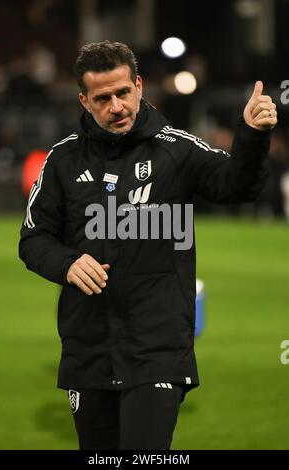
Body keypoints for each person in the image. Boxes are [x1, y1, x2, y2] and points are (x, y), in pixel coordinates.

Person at [19, 40, 277, 450]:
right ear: (84, 101)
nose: (116, 106)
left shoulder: (176, 149)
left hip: (157, 348)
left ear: (139, 85)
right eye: (102, 98)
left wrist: (252, 135)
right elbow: (33, 239)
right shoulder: (62, 161)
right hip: (88, 350)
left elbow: (237, 184)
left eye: (123, 92)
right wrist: (66, 263)